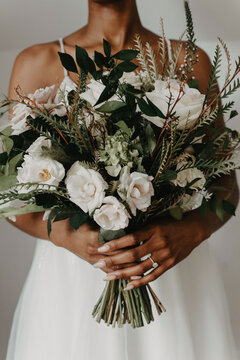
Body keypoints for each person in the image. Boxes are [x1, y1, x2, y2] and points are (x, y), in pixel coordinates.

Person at [5, 0, 239, 359]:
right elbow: (9, 196)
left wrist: (188, 234)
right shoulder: (38, 62)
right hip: (73, 281)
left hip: (168, 272)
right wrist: (69, 237)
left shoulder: (188, 60)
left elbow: (226, 184)